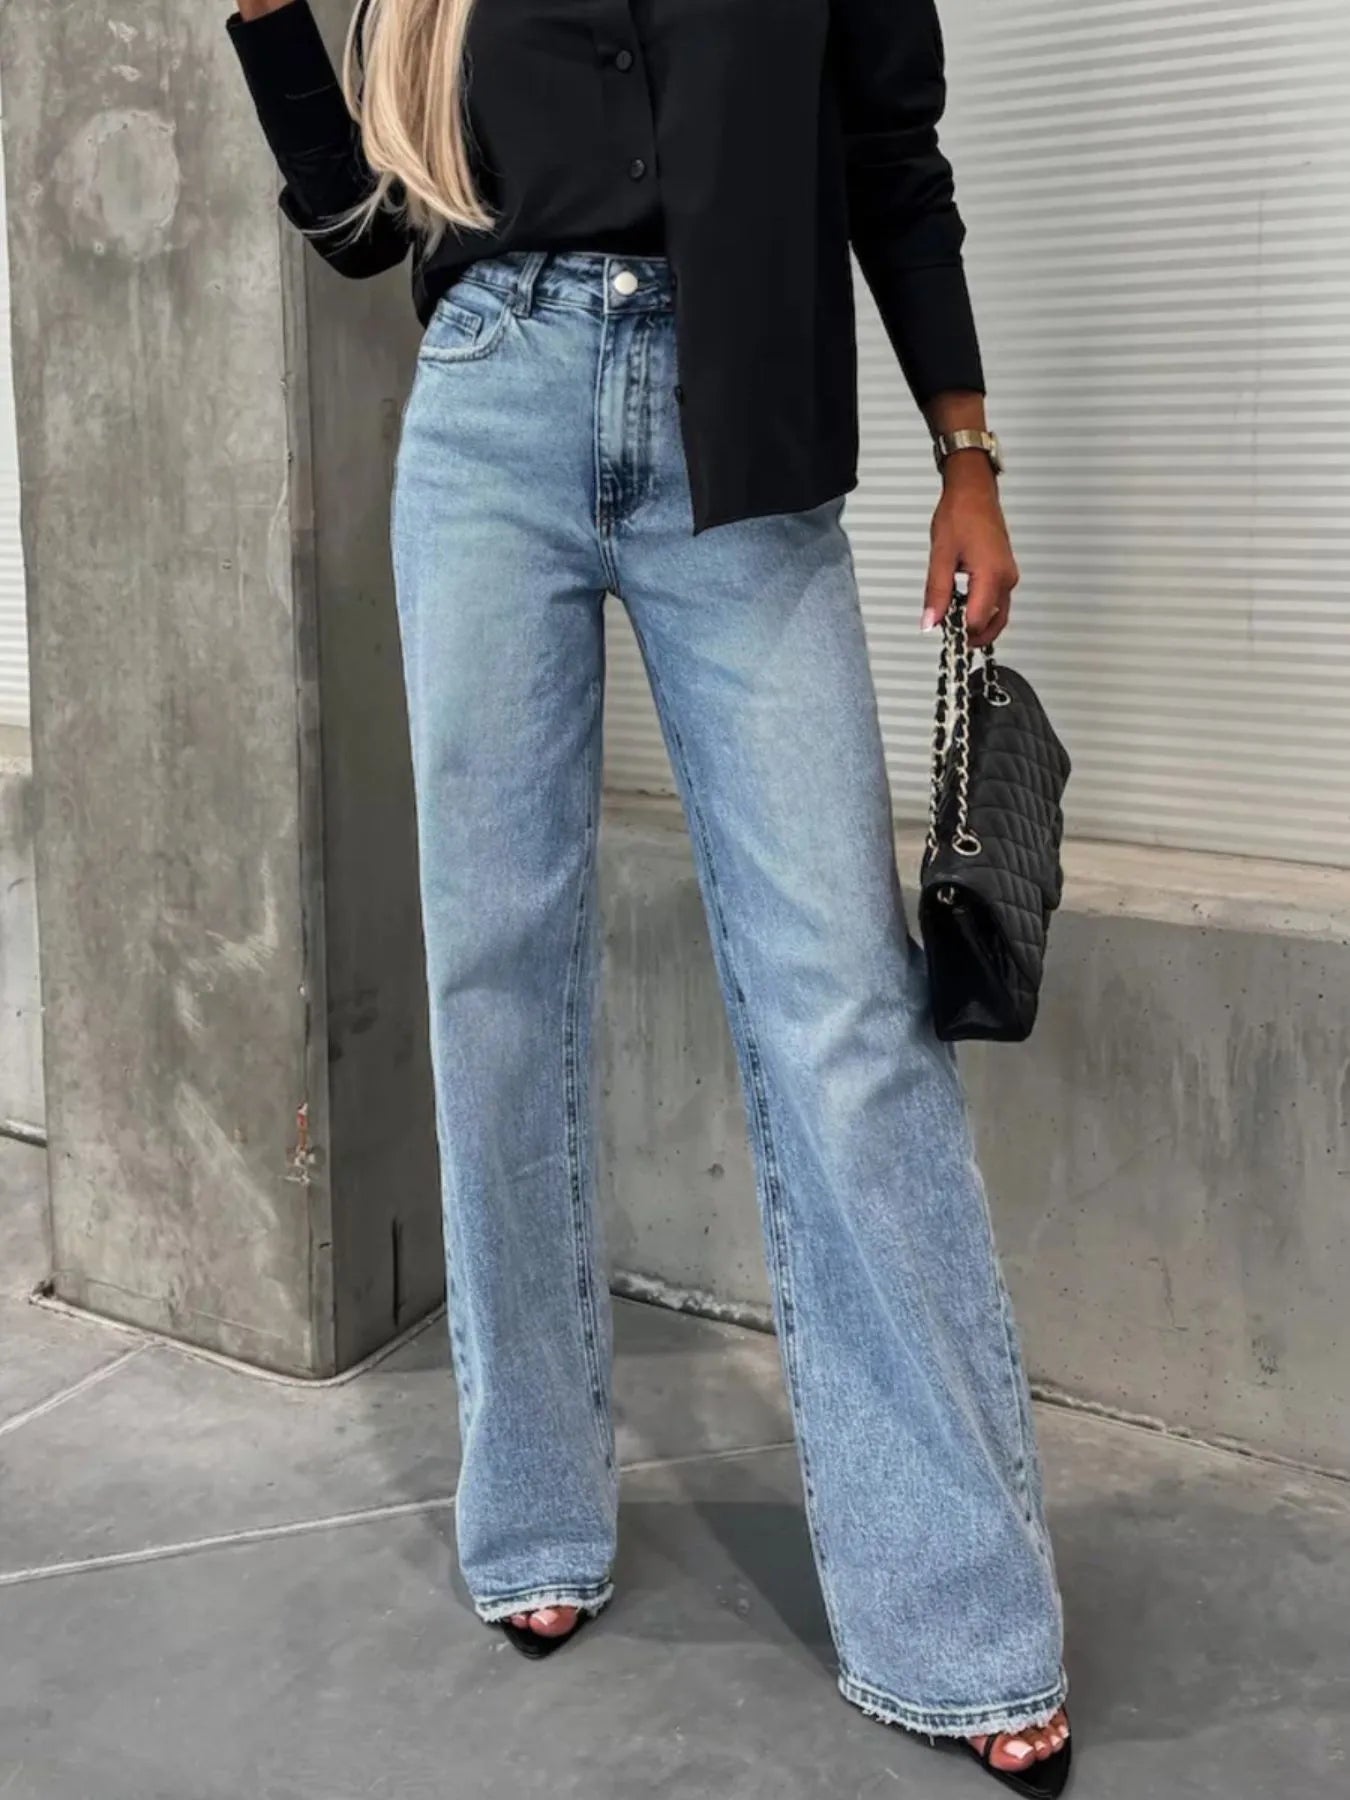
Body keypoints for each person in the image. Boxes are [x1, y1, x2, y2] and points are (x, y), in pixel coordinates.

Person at [228, 2, 1071, 1791]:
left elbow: (890, 157)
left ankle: (956, 1610)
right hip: (489, 409)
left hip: (740, 433)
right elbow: (364, 226)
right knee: (494, 979)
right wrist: (264, 25)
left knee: (846, 1010)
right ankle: (533, 1507)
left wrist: (967, 454)